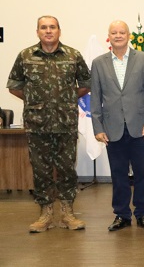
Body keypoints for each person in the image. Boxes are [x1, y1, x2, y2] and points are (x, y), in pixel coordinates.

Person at [6, 15, 91, 233]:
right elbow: (14, 85)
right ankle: (45, 214)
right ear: (37, 32)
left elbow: (86, 83)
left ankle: (67, 213)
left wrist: (68, 98)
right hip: (37, 124)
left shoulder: (73, 55)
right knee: (41, 170)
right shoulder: (26, 56)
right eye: (43, 28)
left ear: (59, 31)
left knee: (66, 170)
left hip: (66, 123)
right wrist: (35, 100)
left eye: (52, 27)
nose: (48, 31)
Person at [90, 20, 144, 231]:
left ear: (129, 35)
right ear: (108, 36)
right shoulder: (99, 63)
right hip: (112, 129)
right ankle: (122, 215)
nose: (118, 35)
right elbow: (96, 98)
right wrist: (98, 127)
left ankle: (143, 213)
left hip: (140, 127)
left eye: (122, 32)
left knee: (142, 173)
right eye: (114, 32)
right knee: (118, 175)